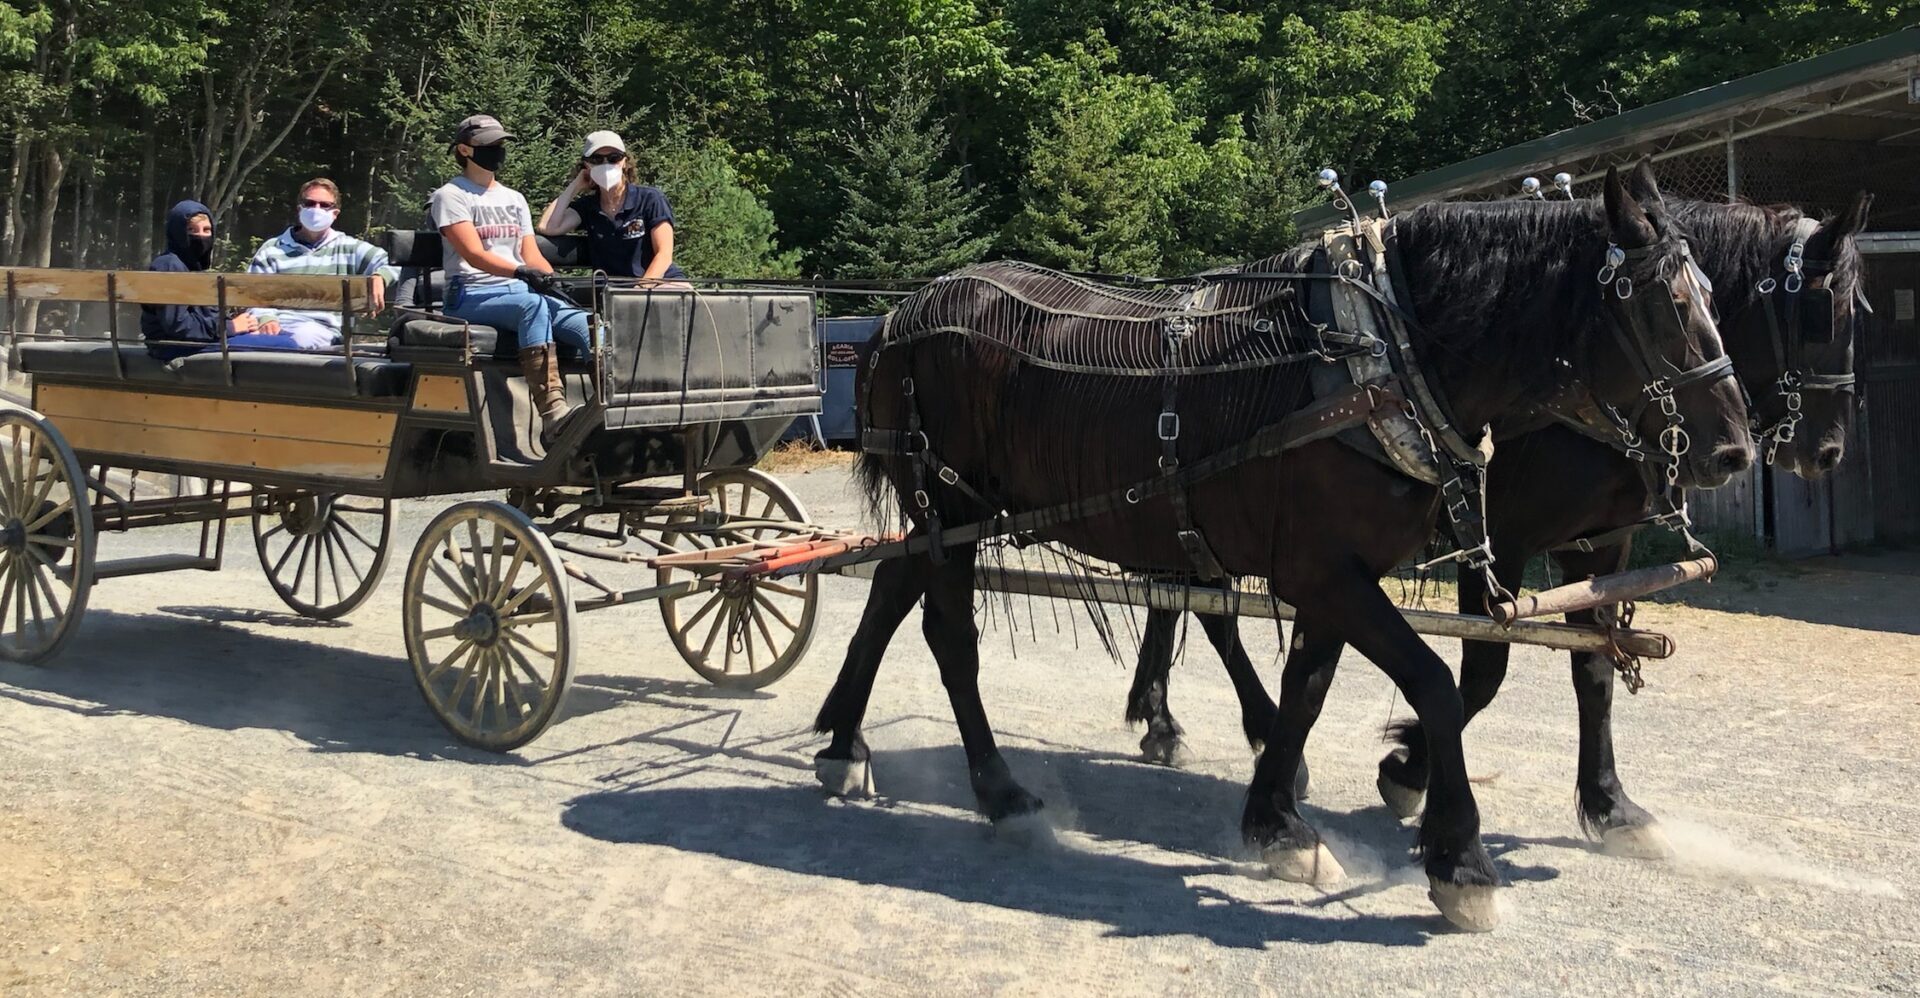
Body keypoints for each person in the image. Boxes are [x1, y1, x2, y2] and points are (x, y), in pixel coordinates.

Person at [430, 114, 591, 442]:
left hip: (517, 288)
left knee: (587, 324)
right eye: (489, 145)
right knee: (532, 307)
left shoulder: (514, 198)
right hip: (470, 292)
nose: (497, 150)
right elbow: (474, 255)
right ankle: (553, 413)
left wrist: (553, 282)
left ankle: (612, 403)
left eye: (500, 144)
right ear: (464, 149)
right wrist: (520, 272)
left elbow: (530, 254)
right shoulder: (451, 196)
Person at [224, 178, 396, 352]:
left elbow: (396, 263)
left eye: (324, 205)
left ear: (335, 213)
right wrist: (266, 318)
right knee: (237, 343)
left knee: (295, 340)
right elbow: (252, 293)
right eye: (310, 203)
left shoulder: (350, 248)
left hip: (322, 330)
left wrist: (380, 277)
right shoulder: (271, 249)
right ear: (300, 209)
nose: (317, 209)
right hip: (271, 327)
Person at [537, 130, 690, 286]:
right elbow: (547, 226)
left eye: (613, 158)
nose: (606, 165)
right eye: (597, 159)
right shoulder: (587, 207)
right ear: (586, 165)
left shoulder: (650, 199)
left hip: (659, 283)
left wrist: (642, 290)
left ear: (624, 162)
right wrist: (575, 186)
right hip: (612, 292)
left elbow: (664, 254)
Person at [140, 200, 222, 359]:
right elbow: (177, 326)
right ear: (177, 232)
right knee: (281, 346)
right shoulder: (169, 266)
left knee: (275, 339)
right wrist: (228, 327)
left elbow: (207, 315)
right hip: (172, 346)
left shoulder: (192, 267)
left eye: (206, 230)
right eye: (191, 230)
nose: (200, 237)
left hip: (195, 342)